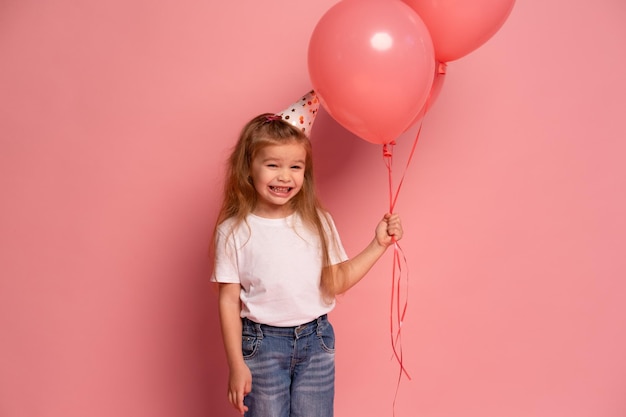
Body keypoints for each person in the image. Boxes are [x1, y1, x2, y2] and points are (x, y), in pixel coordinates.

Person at [210, 95, 403, 417]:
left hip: (316, 341)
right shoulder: (234, 231)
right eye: (273, 165)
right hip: (262, 344)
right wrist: (236, 364)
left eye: (295, 167)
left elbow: (336, 281)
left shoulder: (317, 221)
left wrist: (378, 245)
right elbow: (228, 300)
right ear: (248, 168)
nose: (285, 177)